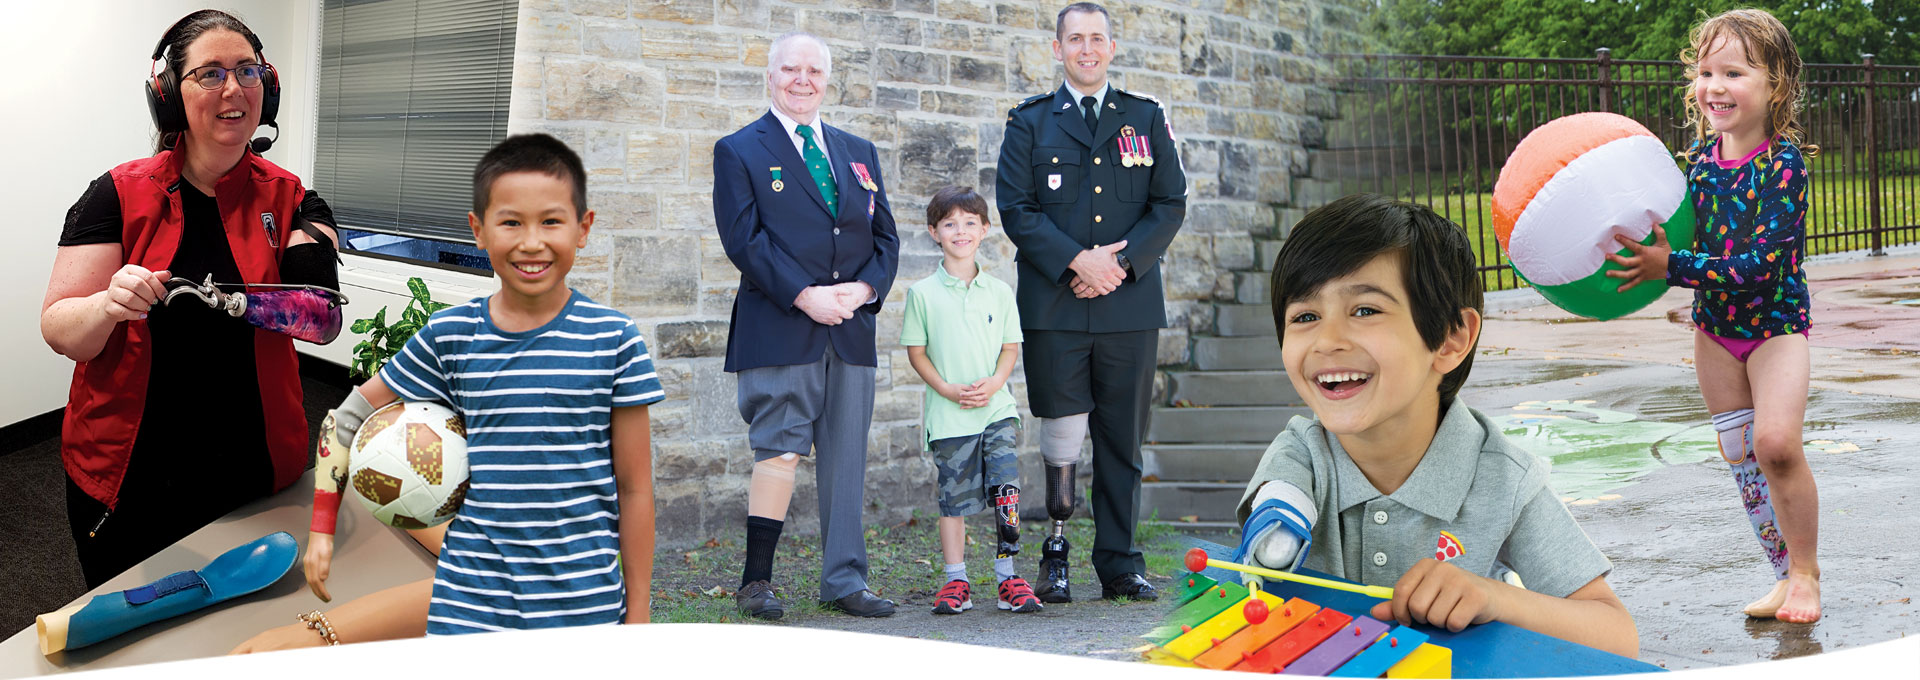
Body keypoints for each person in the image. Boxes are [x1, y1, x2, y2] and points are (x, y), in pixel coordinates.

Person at [1237, 194, 1638, 657]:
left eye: (1365, 310)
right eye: (1305, 317)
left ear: (1451, 338)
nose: (1327, 342)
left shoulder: (1503, 478)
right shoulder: (1300, 455)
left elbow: (1616, 634)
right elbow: (1273, 528)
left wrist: (1495, 598)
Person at [302, 134, 662, 633]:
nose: (531, 241)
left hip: (585, 607)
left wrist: (638, 611)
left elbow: (635, 488)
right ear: (478, 231)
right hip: (468, 606)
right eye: (511, 222)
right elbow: (343, 421)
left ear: (583, 229)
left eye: (551, 221)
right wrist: (322, 528)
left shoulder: (614, 340)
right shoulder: (450, 337)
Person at [39, 10, 340, 588]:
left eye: (248, 71)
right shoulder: (117, 195)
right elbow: (59, 328)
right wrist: (108, 304)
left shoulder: (292, 196)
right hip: (134, 475)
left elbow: (318, 318)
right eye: (210, 74)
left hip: (254, 469)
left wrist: (302, 252)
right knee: (131, 635)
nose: (233, 89)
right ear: (170, 95)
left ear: (267, 87)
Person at [1606, 8, 1821, 624]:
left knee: (1777, 444)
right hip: (1715, 334)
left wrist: (1670, 266)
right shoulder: (1698, 164)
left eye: (1734, 71)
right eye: (1705, 72)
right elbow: (1664, 228)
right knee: (1742, 455)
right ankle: (1782, 576)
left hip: (1775, 328)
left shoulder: (1784, 166)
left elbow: (1763, 263)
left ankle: (1806, 573)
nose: (1715, 86)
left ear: (1774, 85)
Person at [994, 2, 1186, 603]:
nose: (1086, 48)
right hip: (1056, 305)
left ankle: (1121, 563)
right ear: (1057, 49)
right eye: (1074, 39)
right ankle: (1054, 558)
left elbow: (1170, 203)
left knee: (1122, 439)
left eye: (1096, 38)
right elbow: (1015, 208)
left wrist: (1119, 265)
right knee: (1061, 436)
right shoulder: (1029, 122)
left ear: (1110, 47)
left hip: (1129, 307)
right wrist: (1079, 261)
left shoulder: (1146, 117)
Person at [712, 32, 900, 619]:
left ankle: (845, 582)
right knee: (780, 451)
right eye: (789, 69)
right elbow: (744, 240)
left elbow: (886, 238)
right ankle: (756, 583)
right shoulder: (739, 149)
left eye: (813, 70)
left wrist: (866, 289)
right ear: (770, 78)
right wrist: (805, 295)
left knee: (847, 459)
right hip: (780, 326)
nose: (802, 80)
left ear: (827, 79)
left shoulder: (859, 150)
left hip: (850, 329)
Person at [900, 186, 1043, 615]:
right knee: (954, 501)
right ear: (934, 232)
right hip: (950, 417)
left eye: (968, 223)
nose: (959, 231)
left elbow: (1010, 347)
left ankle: (1007, 577)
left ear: (984, 230)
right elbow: (916, 351)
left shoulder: (999, 292)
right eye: (949, 224)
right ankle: (956, 580)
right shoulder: (922, 293)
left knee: (1006, 493)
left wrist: (997, 383)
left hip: (996, 410)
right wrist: (945, 389)